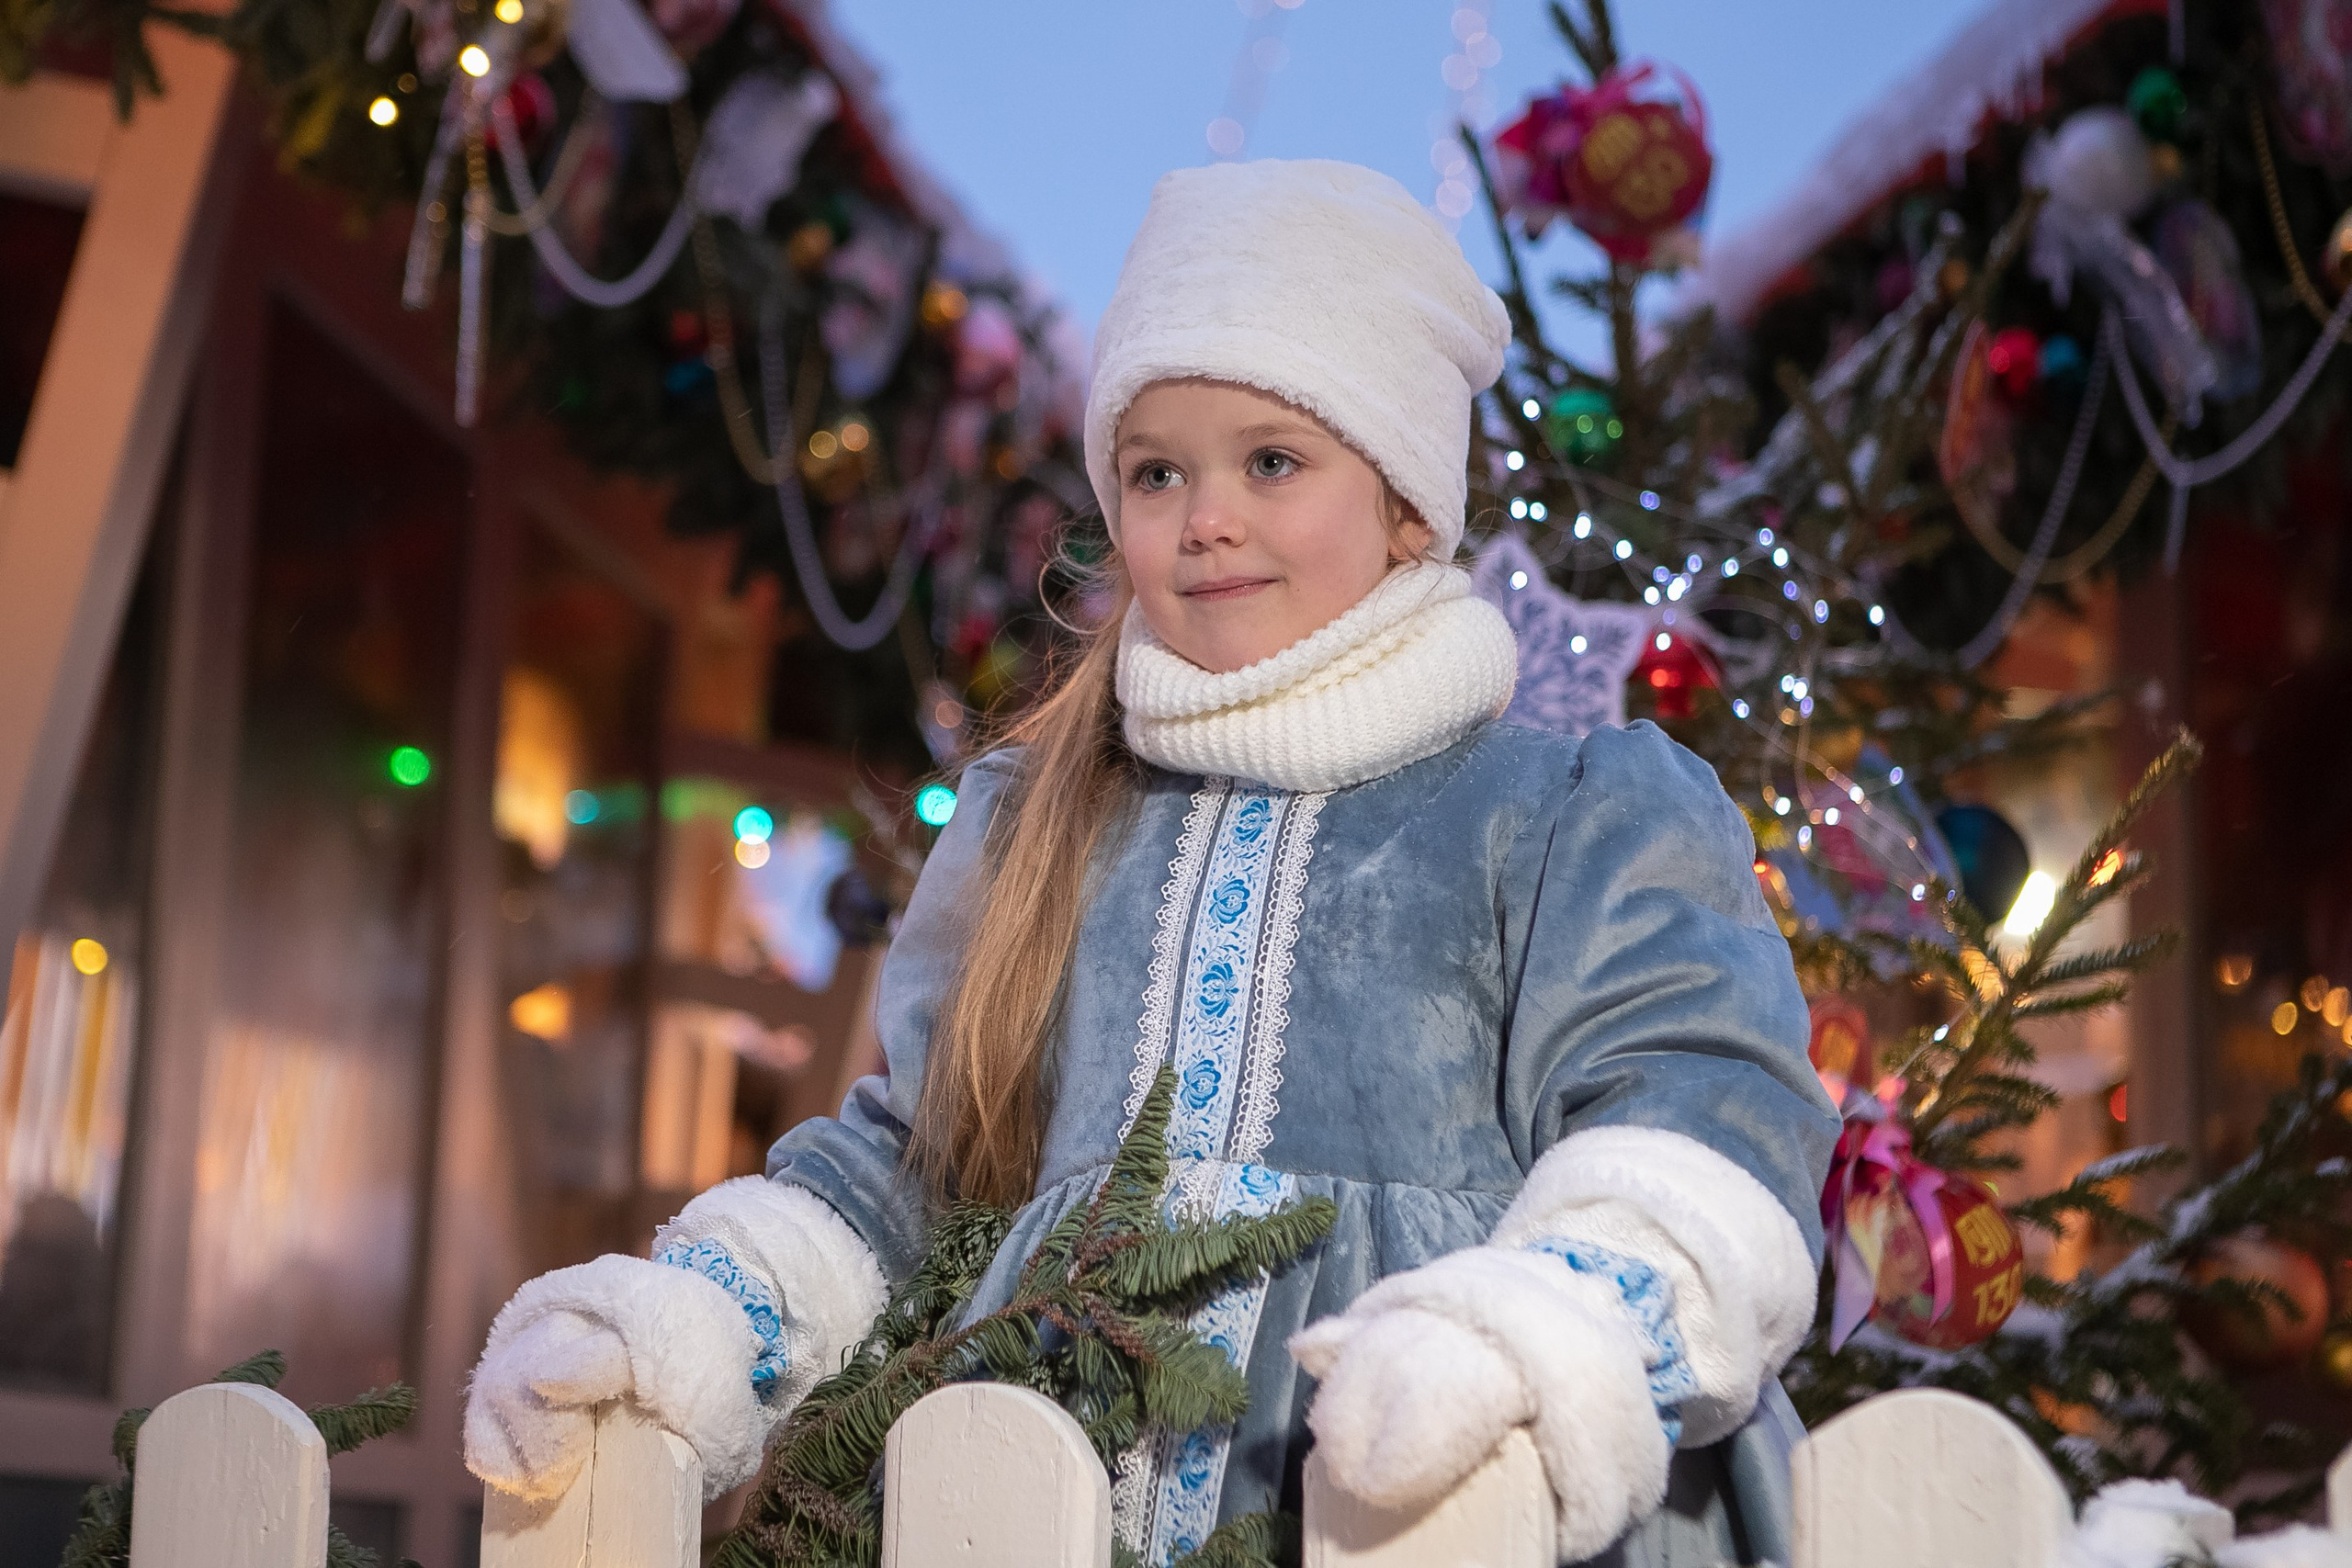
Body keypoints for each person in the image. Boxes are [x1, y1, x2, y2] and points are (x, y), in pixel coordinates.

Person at [465, 158, 1839, 1566]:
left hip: (1441, 1501)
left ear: (1412, 502)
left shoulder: (1563, 815)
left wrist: (1552, 1328)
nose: (1206, 518)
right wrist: (703, 1319)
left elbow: (1696, 1106)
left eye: (1273, 460)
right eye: (1156, 470)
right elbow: (922, 1167)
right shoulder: (1039, 825)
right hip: (1027, 1505)